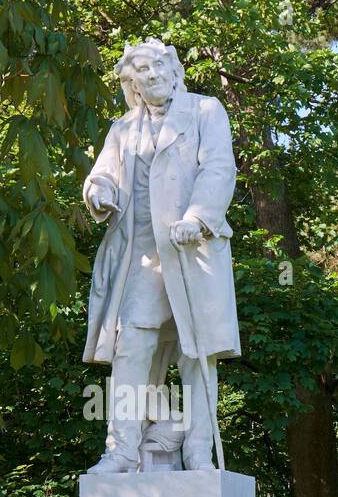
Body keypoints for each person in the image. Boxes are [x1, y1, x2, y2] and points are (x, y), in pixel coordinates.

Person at [82, 37, 239, 473]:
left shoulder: (205, 112)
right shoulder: (123, 129)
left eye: (157, 68)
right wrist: (99, 192)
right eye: (142, 73)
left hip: (193, 252)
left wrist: (198, 217)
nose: (151, 77)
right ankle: (121, 450)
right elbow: (102, 175)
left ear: (173, 71)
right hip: (144, 259)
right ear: (132, 83)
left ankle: (197, 454)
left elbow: (219, 167)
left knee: (197, 355)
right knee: (132, 344)